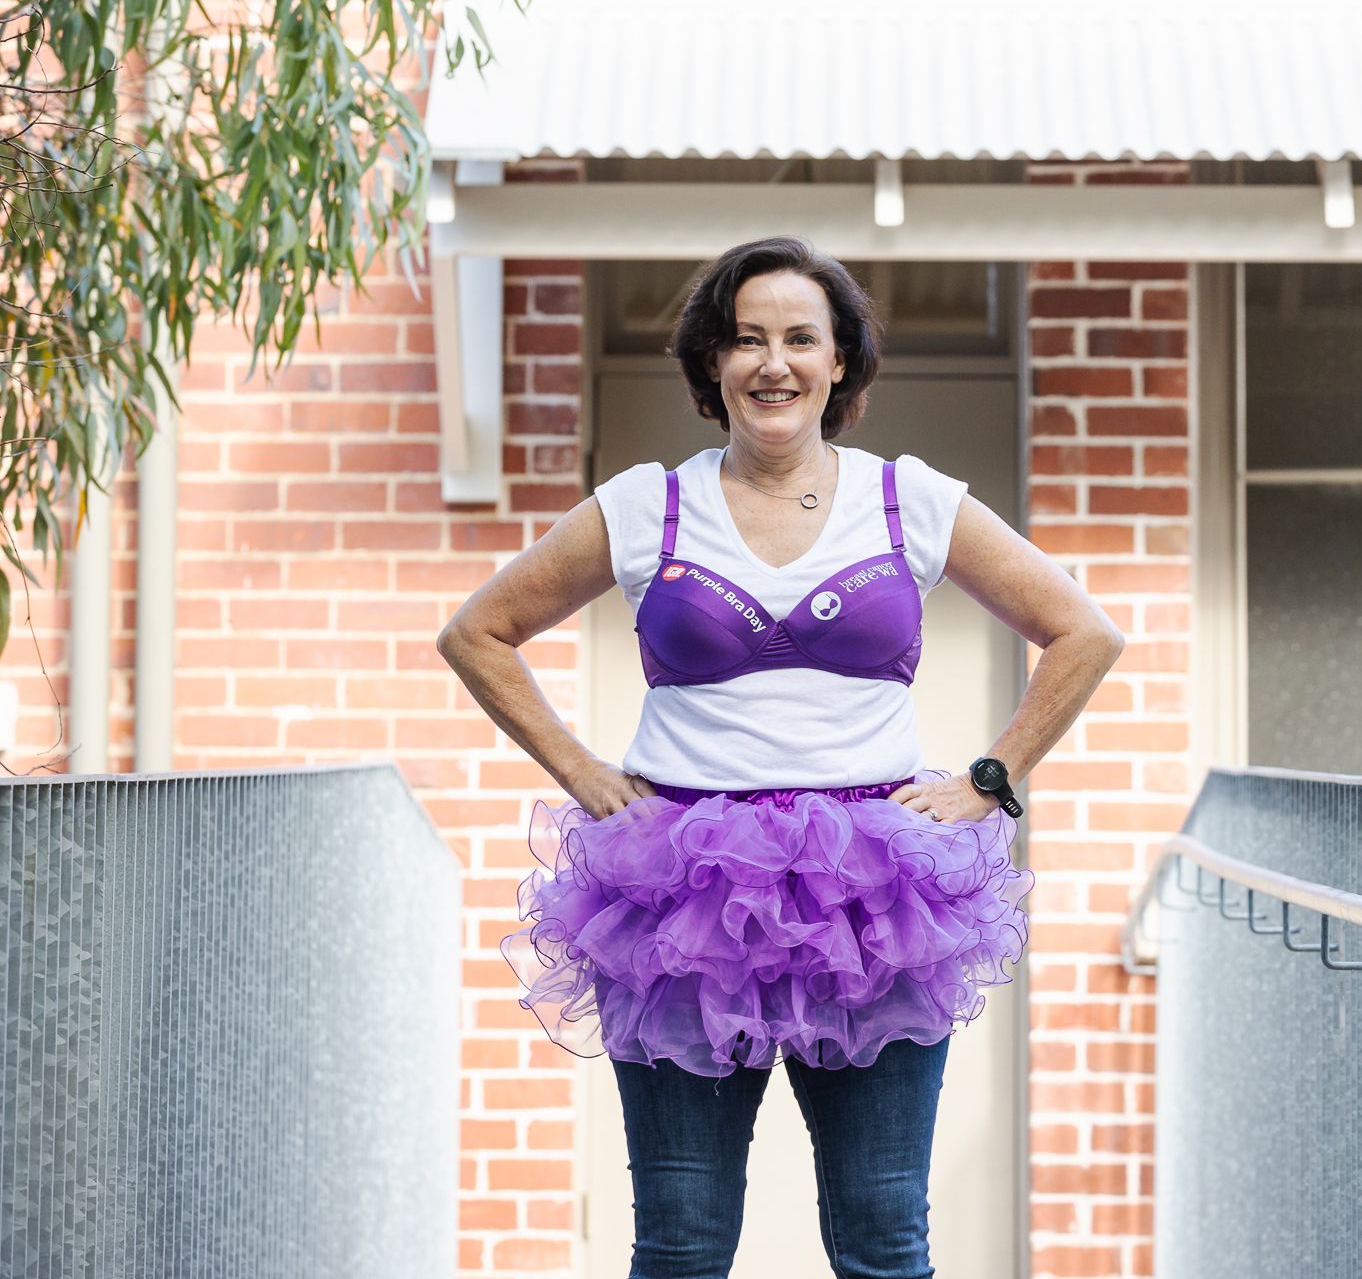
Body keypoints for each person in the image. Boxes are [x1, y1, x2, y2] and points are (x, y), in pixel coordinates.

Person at [436, 234, 1125, 1279]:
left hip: (874, 901)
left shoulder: (907, 499)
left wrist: (988, 781)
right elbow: (477, 632)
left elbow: (1083, 632)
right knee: (681, 1238)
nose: (774, 363)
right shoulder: (646, 505)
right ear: (712, 361)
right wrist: (581, 772)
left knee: (883, 1233)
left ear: (839, 361)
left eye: (801, 338)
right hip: (681, 900)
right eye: (746, 338)